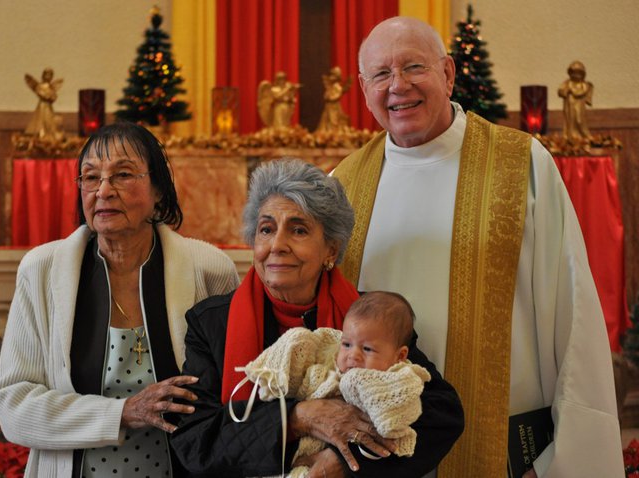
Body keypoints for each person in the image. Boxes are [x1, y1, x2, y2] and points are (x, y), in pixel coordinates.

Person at [332, 16, 623, 477]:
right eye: (381, 75)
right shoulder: (343, 184)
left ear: (448, 73)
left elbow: (575, 312)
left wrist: (562, 457)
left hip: (505, 452)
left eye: (413, 67)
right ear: (363, 88)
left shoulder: (521, 164)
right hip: (380, 452)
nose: (398, 87)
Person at [170, 159, 463, 478]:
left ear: (330, 250)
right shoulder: (212, 322)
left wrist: (345, 463)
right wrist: (296, 418)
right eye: (266, 229)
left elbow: (441, 415)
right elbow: (194, 440)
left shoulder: (372, 317)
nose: (277, 245)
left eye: (298, 230)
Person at [0, 122, 240, 477]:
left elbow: (236, 395)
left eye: (122, 175)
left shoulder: (209, 270)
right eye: (90, 178)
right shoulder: (41, 271)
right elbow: (14, 406)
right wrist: (123, 413)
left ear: (158, 189)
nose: (103, 191)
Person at [235, 291, 431, 478]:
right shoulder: (329, 359)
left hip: (351, 461)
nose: (353, 355)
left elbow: (394, 419)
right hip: (296, 454)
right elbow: (299, 381)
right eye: (347, 344)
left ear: (400, 356)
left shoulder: (399, 379)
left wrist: (354, 385)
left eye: (367, 349)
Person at [24, 67, 63, 141]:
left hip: (48, 107)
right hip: (42, 106)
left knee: (49, 120)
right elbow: (39, 92)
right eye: (47, 74)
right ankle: (41, 134)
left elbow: (54, 96)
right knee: (41, 119)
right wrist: (47, 96)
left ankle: (49, 134)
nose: (48, 76)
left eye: (50, 75)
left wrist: (51, 96)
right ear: (43, 75)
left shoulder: (51, 87)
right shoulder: (40, 86)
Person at [558, 60, 594, 140]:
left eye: (579, 73)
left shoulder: (584, 85)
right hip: (569, 107)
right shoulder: (567, 83)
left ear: (582, 74)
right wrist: (566, 91)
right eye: (574, 73)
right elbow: (561, 91)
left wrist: (573, 91)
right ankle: (570, 137)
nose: (576, 75)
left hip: (580, 107)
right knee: (570, 121)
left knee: (579, 120)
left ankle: (583, 136)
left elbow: (584, 92)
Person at [316, 66, 352, 132]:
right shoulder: (331, 87)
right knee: (326, 119)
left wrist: (330, 97)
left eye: (333, 75)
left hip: (334, 107)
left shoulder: (337, 87)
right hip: (329, 107)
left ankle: (334, 131)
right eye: (331, 75)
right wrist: (327, 96)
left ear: (337, 77)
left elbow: (336, 96)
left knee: (334, 119)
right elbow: (326, 95)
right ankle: (328, 131)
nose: (331, 77)